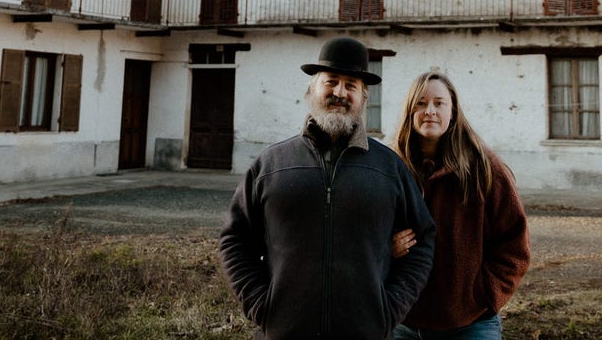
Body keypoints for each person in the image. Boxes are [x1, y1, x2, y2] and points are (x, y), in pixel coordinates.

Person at [219, 37, 436, 340]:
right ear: (312, 90)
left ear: (364, 97)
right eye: (331, 82)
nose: (340, 93)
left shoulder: (389, 168)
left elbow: (423, 241)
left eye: (351, 85)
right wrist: (261, 306)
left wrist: (388, 310)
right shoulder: (272, 164)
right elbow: (234, 240)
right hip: (284, 333)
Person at [389, 71, 531, 339]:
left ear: (453, 111)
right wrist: (387, 249)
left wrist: (485, 295)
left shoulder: (485, 168)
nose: (429, 111)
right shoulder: (391, 167)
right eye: (420, 103)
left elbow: (514, 243)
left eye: (439, 103)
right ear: (409, 110)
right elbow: (367, 234)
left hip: (470, 323)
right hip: (403, 320)